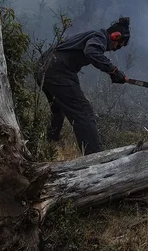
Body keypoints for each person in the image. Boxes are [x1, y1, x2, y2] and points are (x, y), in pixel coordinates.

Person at [38, 16, 131, 155]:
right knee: (84, 113)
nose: (115, 49)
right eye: (119, 45)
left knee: (58, 109)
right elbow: (91, 51)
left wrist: (113, 72)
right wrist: (113, 70)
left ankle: (49, 148)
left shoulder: (94, 35)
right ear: (115, 36)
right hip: (58, 70)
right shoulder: (99, 37)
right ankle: (96, 158)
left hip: (43, 66)